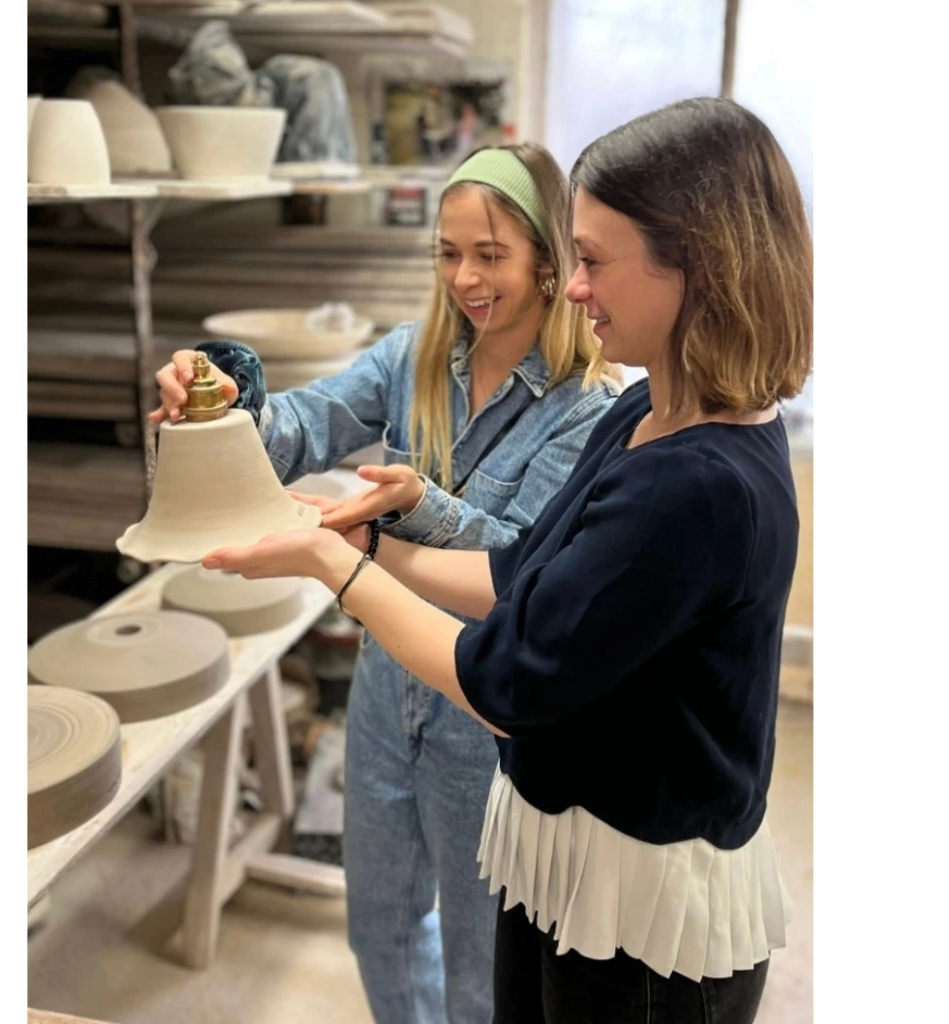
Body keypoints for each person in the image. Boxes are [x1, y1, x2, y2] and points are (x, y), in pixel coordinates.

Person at [199, 97, 813, 1023]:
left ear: (697, 264)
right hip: (565, 851)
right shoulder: (646, 412)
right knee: (399, 933)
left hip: (639, 917)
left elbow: (506, 679)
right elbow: (521, 571)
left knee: (475, 981)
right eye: (449, 254)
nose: (577, 286)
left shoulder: (693, 483)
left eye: (592, 261)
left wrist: (335, 565)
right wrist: (366, 536)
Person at [152, 143, 623, 1024]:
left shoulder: (588, 406)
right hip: (383, 695)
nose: (465, 278)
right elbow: (299, 427)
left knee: (481, 971)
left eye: (490, 256)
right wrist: (220, 389)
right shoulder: (413, 358)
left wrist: (420, 507)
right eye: (449, 253)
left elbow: (528, 571)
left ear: (549, 263)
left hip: (481, 717)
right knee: (380, 932)